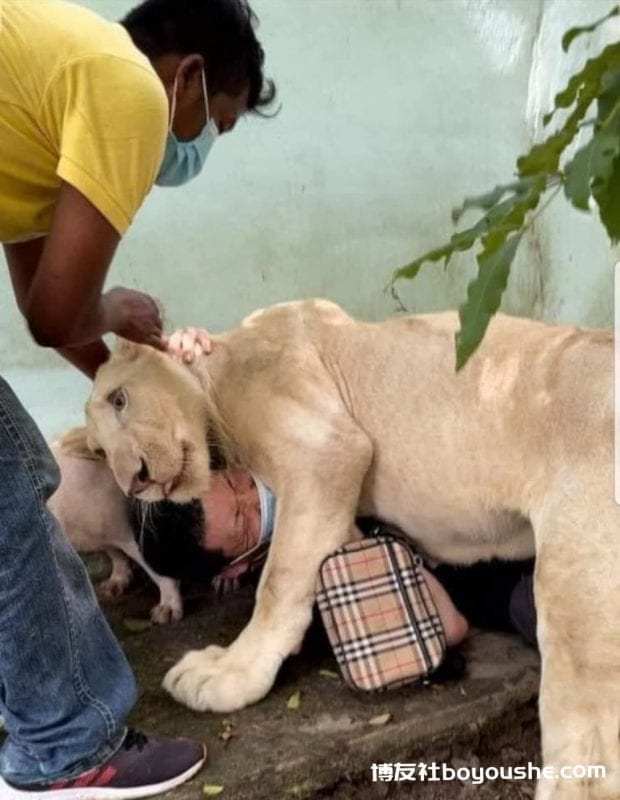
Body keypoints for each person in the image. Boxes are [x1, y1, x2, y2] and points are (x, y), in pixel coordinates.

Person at [0, 0, 275, 796]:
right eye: (215, 124)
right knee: (16, 489)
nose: (200, 149)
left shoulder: (48, 101)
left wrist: (151, 390)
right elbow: (63, 312)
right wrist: (115, 309)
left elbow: (44, 313)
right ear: (186, 78)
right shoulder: (129, 90)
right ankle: (68, 747)